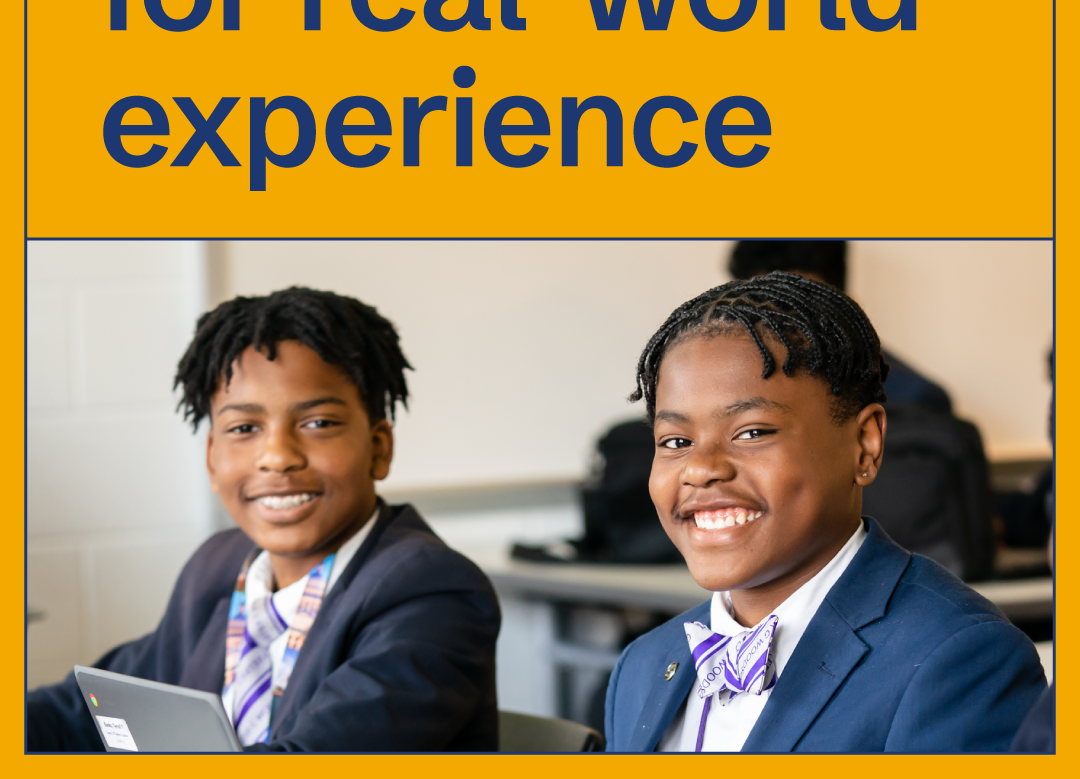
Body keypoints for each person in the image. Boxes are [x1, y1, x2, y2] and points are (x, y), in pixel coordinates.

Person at [27, 287, 500, 752]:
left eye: (318, 423)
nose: (277, 456)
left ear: (379, 448)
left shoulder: (430, 593)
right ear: (212, 460)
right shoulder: (218, 567)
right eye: (244, 429)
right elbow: (84, 710)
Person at [604, 273, 1045, 752]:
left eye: (752, 432)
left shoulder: (959, 660)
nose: (702, 469)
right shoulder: (643, 665)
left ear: (865, 445)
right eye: (676, 441)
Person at [727, 240, 953, 413]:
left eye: (799, 307)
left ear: (847, 307)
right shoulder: (721, 390)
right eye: (759, 307)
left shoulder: (913, 400)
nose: (778, 326)